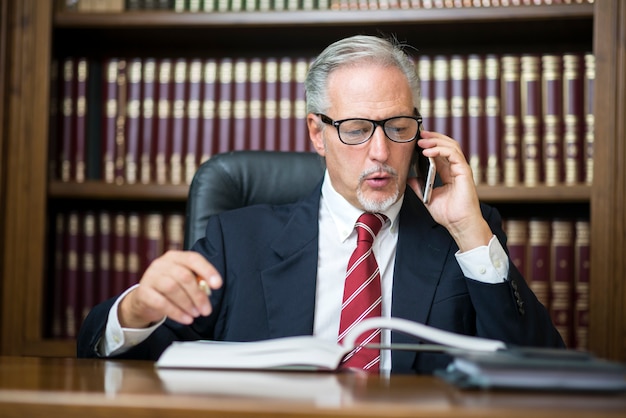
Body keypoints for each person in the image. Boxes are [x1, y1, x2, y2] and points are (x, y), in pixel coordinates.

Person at [77, 34, 564, 374]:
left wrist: (470, 231)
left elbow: (541, 372)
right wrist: (137, 309)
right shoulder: (239, 241)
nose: (380, 152)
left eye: (397, 128)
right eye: (355, 130)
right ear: (317, 133)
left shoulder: (463, 238)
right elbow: (118, 359)